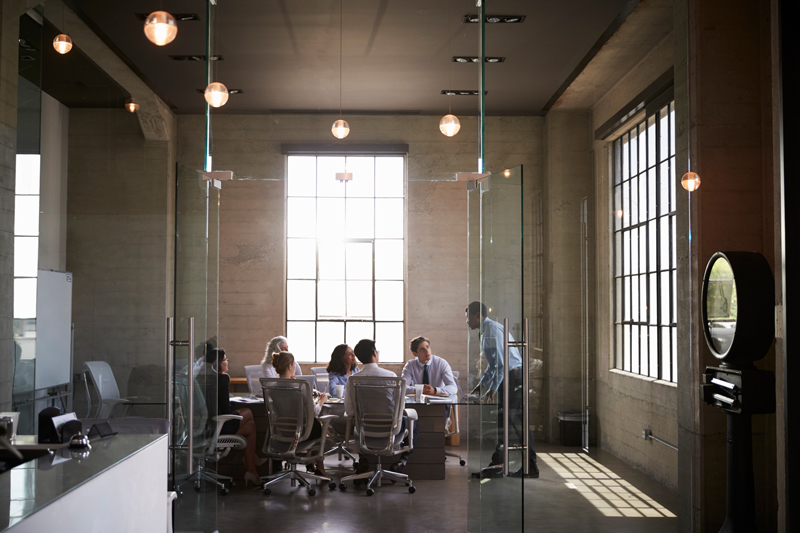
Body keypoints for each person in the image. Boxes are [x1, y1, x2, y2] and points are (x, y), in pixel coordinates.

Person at [466, 301, 538, 478]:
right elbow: (493, 365)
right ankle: (503, 465)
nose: (466, 321)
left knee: (510, 422)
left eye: (468, 317)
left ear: (477, 316)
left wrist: (491, 389)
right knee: (506, 422)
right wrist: (481, 385)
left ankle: (520, 466)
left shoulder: (490, 330)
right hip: (510, 377)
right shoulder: (484, 331)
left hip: (513, 377)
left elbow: (501, 364)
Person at [346, 339, 412, 475]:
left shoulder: (353, 379)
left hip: (364, 433)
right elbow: (400, 408)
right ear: (374, 353)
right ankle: (402, 461)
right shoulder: (391, 376)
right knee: (412, 420)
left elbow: (350, 411)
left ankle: (364, 460)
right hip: (391, 432)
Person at [206, 348, 264, 487]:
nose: (227, 362)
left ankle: (252, 470)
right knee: (248, 412)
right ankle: (251, 461)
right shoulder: (222, 378)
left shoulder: (200, 378)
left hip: (203, 426)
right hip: (217, 426)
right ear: (217, 363)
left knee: (251, 426)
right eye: (225, 359)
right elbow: (225, 409)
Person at [272, 351, 328, 476]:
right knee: (318, 426)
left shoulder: (272, 387)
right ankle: (320, 467)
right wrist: (321, 402)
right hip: (300, 432)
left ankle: (311, 464)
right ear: (290, 366)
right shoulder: (299, 387)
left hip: (281, 430)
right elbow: (312, 413)